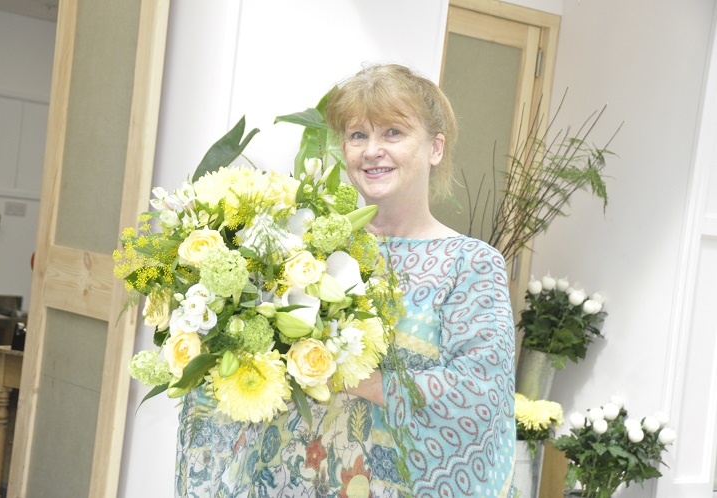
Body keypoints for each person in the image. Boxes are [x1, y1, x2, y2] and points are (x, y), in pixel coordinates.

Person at [175, 64, 516, 498]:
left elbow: (480, 393)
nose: (372, 150)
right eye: (358, 135)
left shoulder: (470, 264)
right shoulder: (307, 245)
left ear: (435, 147)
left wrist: (346, 375)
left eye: (393, 132)